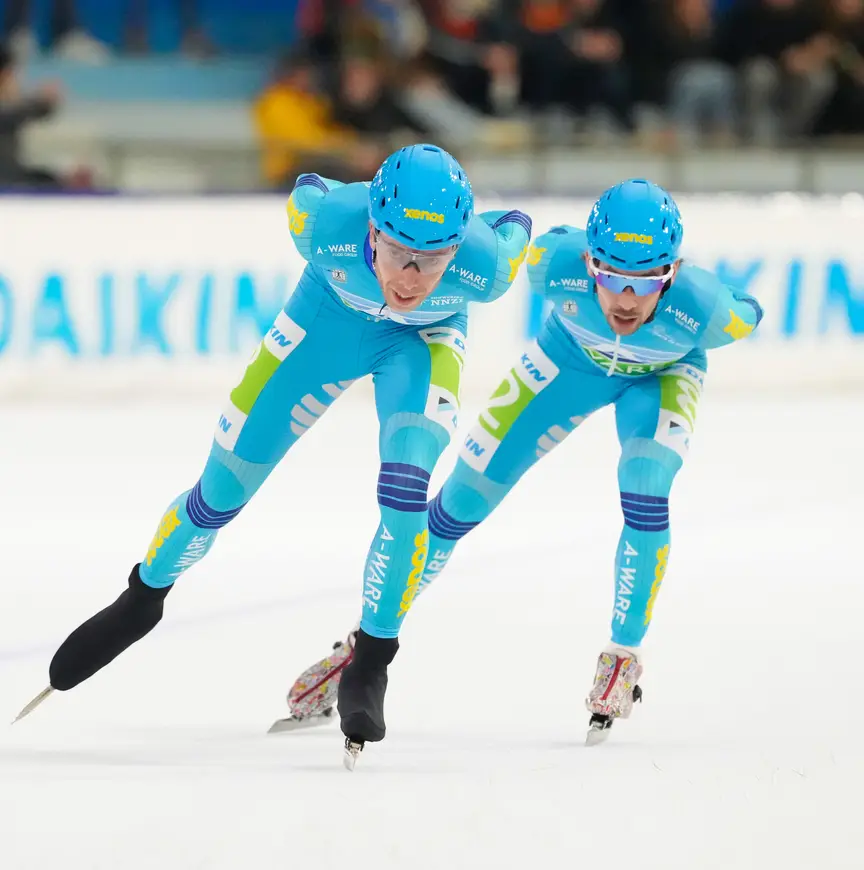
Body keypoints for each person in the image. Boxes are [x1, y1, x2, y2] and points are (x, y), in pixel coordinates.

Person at [15, 144, 533, 770]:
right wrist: (142, 597)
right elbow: (310, 183)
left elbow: (514, 228)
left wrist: (489, 234)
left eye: (435, 261)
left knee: (405, 492)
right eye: (398, 253)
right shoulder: (323, 222)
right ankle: (141, 597)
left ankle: (371, 660)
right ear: (371, 229)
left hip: (421, 343)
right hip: (323, 325)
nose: (411, 278)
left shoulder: (486, 266)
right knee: (221, 492)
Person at [281, 178, 763, 745]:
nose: (626, 300)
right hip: (567, 365)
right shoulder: (550, 263)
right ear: (587, 262)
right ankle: (366, 643)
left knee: (645, 483)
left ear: (673, 273)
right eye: (610, 276)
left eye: (646, 282)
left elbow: (749, 308)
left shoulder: (708, 310)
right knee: (456, 506)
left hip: (663, 377)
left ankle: (622, 654)